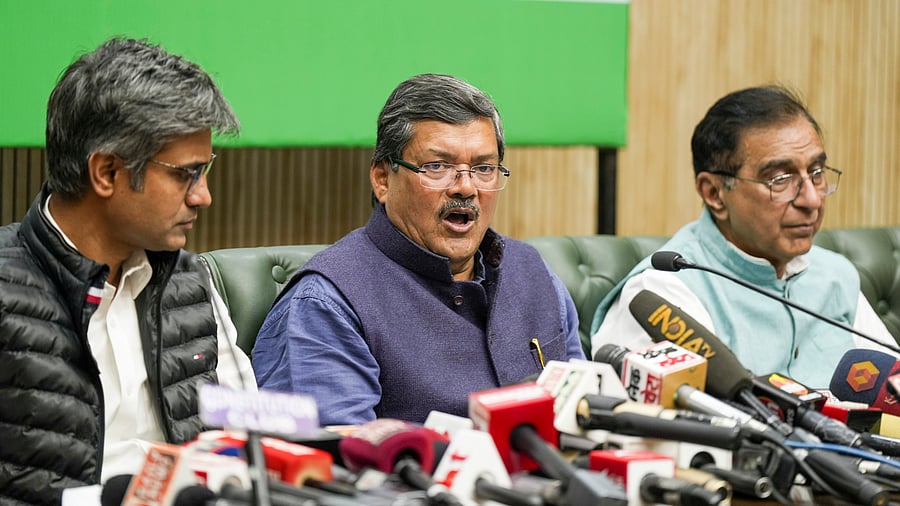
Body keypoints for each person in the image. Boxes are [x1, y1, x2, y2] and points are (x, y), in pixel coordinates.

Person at [0, 37, 252, 504]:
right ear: (107, 173)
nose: (203, 196)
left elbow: (243, 438)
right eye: (186, 174)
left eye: (206, 170)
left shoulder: (189, 283)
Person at [252, 73, 585, 424]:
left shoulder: (534, 272)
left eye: (483, 168)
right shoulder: (327, 303)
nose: (466, 187)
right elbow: (337, 460)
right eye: (437, 166)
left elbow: (585, 416)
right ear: (383, 179)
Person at [590, 85, 897, 389]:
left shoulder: (834, 274)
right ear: (715, 194)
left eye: (816, 173)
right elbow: (665, 431)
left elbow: (892, 393)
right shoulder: (664, 295)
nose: (812, 200)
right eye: (781, 179)